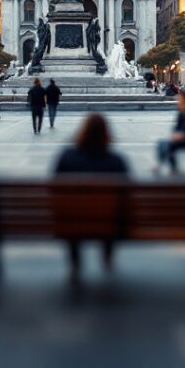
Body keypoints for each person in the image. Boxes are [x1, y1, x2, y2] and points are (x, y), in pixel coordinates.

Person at [53, 113, 130, 281]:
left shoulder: (67, 156)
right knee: (110, 210)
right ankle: (107, 254)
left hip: (72, 220)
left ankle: (75, 261)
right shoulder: (116, 161)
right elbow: (126, 195)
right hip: (109, 220)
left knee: (72, 210)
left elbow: (55, 186)